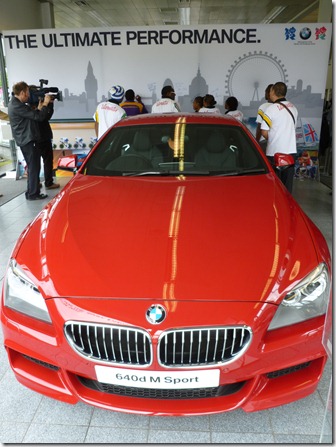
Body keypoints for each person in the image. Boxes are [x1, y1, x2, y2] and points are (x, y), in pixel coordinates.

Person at [8, 81, 52, 200]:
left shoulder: (16, 103)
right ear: (22, 92)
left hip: (25, 139)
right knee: (34, 167)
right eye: (28, 93)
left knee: (33, 167)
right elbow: (39, 117)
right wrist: (46, 104)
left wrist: (38, 108)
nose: (29, 96)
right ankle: (33, 194)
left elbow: (32, 116)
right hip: (27, 139)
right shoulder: (17, 105)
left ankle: (31, 192)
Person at [261, 82, 298, 193]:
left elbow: (264, 132)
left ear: (273, 92)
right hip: (290, 153)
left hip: (274, 153)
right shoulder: (293, 108)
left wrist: (274, 138)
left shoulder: (271, 109)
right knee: (287, 188)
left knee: (274, 186)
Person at [29, 85, 60, 190]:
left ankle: (48, 182)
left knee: (46, 161)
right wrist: (45, 104)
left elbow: (47, 117)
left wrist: (50, 105)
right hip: (36, 138)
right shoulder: (29, 109)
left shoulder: (39, 106)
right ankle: (37, 183)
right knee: (36, 163)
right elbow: (40, 117)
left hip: (43, 136)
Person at [255, 84, 273, 149]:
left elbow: (259, 126)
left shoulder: (263, 107)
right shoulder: (280, 107)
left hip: (264, 141)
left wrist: (256, 142)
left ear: (269, 94)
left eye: (266, 91)